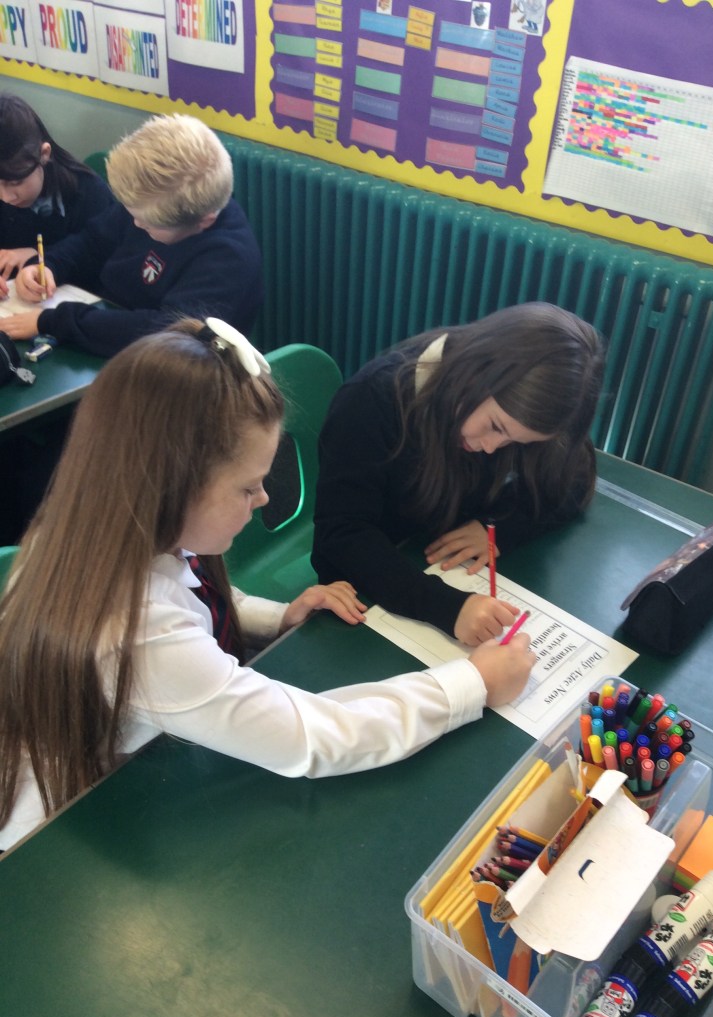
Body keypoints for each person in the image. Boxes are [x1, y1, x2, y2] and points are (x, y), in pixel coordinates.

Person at [0, 317, 535, 852]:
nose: (263, 500)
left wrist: (275, 617)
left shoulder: (103, 526)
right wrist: (473, 684)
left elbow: (192, 591)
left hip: (119, 772)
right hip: (61, 836)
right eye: (249, 487)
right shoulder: (138, 634)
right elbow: (315, 737)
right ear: (170, 486)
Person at [311, 302, 605, 647]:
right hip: (361, 597)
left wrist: (499, 529)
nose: (492, 447)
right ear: (475, 374)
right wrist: (448, 607)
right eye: (496, 427)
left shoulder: (525, 409)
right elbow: (342, 534)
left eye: (515, 442)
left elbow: (574, 476)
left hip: (440, 561)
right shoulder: (371, 400)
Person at [0, 113, 262, 357]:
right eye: (131, 212)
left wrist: (55, 321)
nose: (135, 223)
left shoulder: (228, 259)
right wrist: (48, 266)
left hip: (173, 369)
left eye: (147, 225)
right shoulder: (151, 202)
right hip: (106, 331)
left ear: (205, 221)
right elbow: (92, 242)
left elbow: (167, 332)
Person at [0, 93, 115, 289]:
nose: (6, 197)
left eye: (16, 182)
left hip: (69, 297)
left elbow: (99, 258)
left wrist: (37, 256)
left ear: (44, 154)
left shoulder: (88, 193)